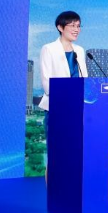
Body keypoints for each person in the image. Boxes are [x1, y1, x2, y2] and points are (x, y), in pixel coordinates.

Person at [38, 11, 88, 180]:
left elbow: (84, 79)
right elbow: (47, 83)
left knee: (74, 154)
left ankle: (71, 192)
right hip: (57, 109)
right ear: (60, 27)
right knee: (56, 155)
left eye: (78, 26)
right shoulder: (49, 49)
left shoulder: (80, 51)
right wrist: (68, 96)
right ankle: (53, 193)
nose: (76, 29)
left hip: (78, 110)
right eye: (72, 25)